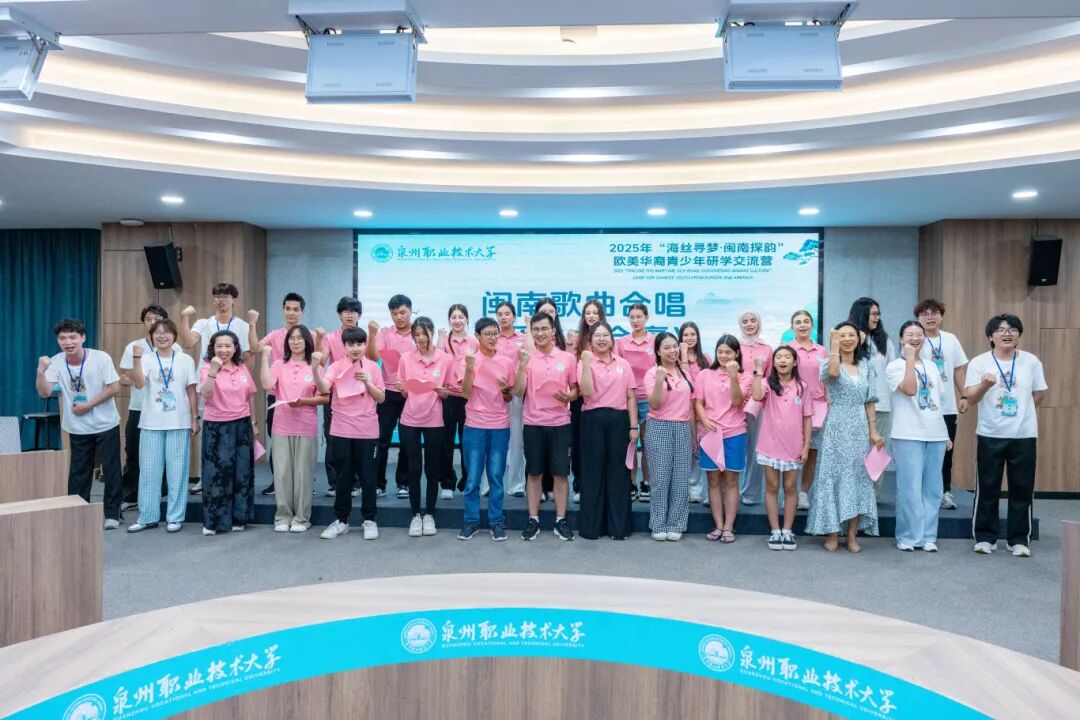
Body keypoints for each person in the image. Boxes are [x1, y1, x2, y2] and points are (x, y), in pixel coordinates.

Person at [964, 314, 1046, 557]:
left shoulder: (1031, 362)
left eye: (1012, 329)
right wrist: (985, 385)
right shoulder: (979, 362)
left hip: (1024, 435)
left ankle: (1018, 540)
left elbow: (1039, 393)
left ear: (1019, 334)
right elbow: (971, 398)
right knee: (987, 487)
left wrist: (1022, 413)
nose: (1007, 333)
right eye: (1000, 330)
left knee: (1022, 488)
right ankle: (985, 538)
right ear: (991, 336)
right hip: (990, 434)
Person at [36, 319, 123, 529]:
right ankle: (77, 513)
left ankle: (112, 514)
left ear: (83, 338)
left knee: (111, 469)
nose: (68, 342)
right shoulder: (56, 361)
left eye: (73, 337)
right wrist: (40, 372)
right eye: (63, 338)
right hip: (77, 426)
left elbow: (114, 387)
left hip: (105, 423)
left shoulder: (100, 358)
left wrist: (88, 405)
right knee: (78, 472)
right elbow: (44, 392)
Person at [805, 322, 884, 552]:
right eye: (842, 335)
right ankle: (832, 533)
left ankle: (851, 535)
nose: (847, 339)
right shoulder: (829, 362)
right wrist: (834, 345)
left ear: (859, 339)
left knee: (857, 479)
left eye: (851, 335)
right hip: (836, 426)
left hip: (859, 427)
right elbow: (832, 373)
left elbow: (870, 402)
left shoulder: (867, 366)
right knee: (833, 477)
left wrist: (873, 431)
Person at [126, 319, 198, 533]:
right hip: (151, 422)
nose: (162, 336)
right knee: (149, 473)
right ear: (151, 337)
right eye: (157, 332)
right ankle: (147, 517)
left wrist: (195, 418)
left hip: (179, 421)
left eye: (166, 332)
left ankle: (175, 517)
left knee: (177, 473)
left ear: (174, 336)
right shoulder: (146, 359)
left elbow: (191, 390)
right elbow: (139, 383)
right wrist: (136, 358)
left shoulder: (185, 360)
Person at [179, 282, 251, 495]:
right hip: (208, 380)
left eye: (226, 296)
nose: (221, 300)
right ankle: (205, 478)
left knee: (234, 434)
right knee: (208, 432)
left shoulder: (242, 325)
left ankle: (232, 479)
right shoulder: (204, 323)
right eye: (218, 296)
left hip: (233, 382)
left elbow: (248, 357)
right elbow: (187, 342)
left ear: (234, 300)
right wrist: (184, 318)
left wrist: (243, 382)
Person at [315, 327, 386, 540]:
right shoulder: (336, 366)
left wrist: (367, 382)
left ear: (365, 345)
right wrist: (314, 368)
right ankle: (341, 520)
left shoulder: (373, 367)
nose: (356, 348)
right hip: (341, 429)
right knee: (343, 477)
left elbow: (381, 397)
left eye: (359, 344)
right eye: (351, 344)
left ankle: (369, 520)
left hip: (367, 430)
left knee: (368, 477)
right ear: (344, 346)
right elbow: (324, 387)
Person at [513, 312, 578, 541]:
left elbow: (575, 389)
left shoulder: (567, 358)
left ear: (553, 331)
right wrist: (522, 366)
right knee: (534, 472)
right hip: (534, 423)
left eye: (544, 329)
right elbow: (518, 391)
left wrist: (569, 396)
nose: (540, 333)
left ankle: (561, 520)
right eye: (536, 329)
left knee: (560, 474)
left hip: (560, 423)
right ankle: (533, 519)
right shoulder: (526, 358)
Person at [887, 320, 950, 552]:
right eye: (909, 335)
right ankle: (908, 536)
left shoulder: (932, 366)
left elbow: (938, 402)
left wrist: (945, 434)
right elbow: (910, 389)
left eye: (919, 334)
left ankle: (928, 536)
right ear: (901, 339)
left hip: (936, 434)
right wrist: (910, 360)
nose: (915, 338)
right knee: (910, 489)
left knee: (933, 489)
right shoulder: (894, 366)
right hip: (908, 434)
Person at [258, 325, 326, 533]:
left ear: (307, 341)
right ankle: (283, 516)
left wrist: (303, 401)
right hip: (281, 426)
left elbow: (324, 396)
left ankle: (302, 518)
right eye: (291, 338)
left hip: (306, 426)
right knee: (282, 473)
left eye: (299, 338)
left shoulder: (314, 365)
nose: (295, 342)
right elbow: (267, 384)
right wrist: (264, 357)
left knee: (303, 474)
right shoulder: (279, 364)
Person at [577, 321, 638, 540]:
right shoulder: (584, 362)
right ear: (590, 341)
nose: (602, 339)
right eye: (597, 336)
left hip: (619, 420)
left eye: (606, 335)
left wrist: (633, 426)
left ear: (612, 340)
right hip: (592, 420)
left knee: (618, 474)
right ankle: (592, 528)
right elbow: (586, 391)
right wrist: (586, 363)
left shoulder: (623, 364)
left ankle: (618, 528)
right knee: (592, 474)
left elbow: (631, 397)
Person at [458, 317, 516, 541]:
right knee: (473, 479)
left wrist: (505, 390)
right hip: (474, 425)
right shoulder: (470, 360)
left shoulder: (506, 362)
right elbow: (465, 393)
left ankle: (496, 521)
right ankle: (471, 521)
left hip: (499, 426)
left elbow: (509, 397)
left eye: (495, 333)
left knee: (496, 477)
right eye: (488, 334)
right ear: (477, 336)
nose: (493, 338)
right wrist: (469, 369)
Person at [752, 346, 813, 551]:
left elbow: (807, 418)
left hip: (793, 446)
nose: (782, 360)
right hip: (769, 445)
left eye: (787, 357)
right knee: (771, 487)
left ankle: (787, 530)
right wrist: (758, 370)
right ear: (774, 362)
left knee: (790, 488)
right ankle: (775, 531)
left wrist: (806, 446)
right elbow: (756, 395)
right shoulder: (767, 384)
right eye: (778, 357)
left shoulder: (802, 386)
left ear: (795, 362)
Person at [693, 334, 751, 544]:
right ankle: (718, 525)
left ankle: (729, 527)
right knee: (713, 480)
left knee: (731, 480)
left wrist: (734, 376)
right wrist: (704, 420)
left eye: (728, 352)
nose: (724, 356)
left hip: (734, 432)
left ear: (737, 354)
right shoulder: (704, 374)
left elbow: (737, 401)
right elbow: (698, 402)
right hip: (710, 433)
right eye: (720, 351)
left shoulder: (745, 376)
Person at [398, 316, 452, 537]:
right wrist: (403, 389)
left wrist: (442, 392)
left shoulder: (445, 359)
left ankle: (429, 513)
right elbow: (404, 393)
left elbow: (447, 392)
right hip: (409, 418)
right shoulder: (405, 358)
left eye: (423, 334)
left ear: (432, 332)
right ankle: (415, 515)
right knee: (413, 468)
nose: (420, 338)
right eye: (416, 335)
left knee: (432, 468)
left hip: (434, 419)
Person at [198, 330, 257, 535]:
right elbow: (205, 393)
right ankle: (214, 522)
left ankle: (239, 517)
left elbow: (250, 397)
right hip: (217, 427)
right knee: (216, 474)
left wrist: (254, 423)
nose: (223, 350)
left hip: (242, 424)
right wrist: (214, 370)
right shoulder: (207, 368)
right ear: (213, 348)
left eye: (228, 346)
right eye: (219, 346)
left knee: (242, 472)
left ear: (235, 348)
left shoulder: (242, 368)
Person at [249, 292, 307, 496]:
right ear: (283, 310)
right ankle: (278, 481)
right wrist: (252, 324)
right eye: (288, 308)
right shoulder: (275, 335)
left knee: (303, 441)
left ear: (302, 312)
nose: (291, 313)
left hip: (302, 397)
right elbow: (255, 348)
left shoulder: (308, 335)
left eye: (296, 309)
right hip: (277, 395)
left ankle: (305, 480)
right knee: (277, 439)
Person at [914, 299, 970, 510]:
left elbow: (959, 370)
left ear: (941, 316)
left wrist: (964, 396)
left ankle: (944, 492)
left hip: (947, 407)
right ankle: (921, 493)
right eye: (925, 313)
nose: (930, 317)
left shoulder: (951, 339)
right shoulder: (915, 338)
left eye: (934, 313)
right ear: (918, 318)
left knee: (946, 451)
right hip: (921, 406)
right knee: (921, 452)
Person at [118, 304, 172, 511]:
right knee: (133, 450)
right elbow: (125, 374)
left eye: (156, 319)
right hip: (139, 407)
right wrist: (125, 379)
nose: (152, 322)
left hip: (164, 408)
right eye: (148, 319)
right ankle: (132, 493)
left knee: (164, 452)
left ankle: (163, 492)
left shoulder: (173, 346)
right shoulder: (134, 346)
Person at [643, 332, 696, 542]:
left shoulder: (684, 372)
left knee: (681, 479)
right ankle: (658, 524)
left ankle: (676, 523)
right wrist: (659, 380)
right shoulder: (651, 373)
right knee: (660, 478)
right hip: (659, 427)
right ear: (658, 351)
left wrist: (693, 434)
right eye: (666, 347)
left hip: (682, 427)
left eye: (674, 346)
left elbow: (691, 405)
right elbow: (654, 404)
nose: (672, 350)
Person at [848, 297, 897, 501]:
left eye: (878, 314)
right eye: (873, 314)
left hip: (880, 403)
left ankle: (872, 497)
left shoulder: (884, 340)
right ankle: (852, 495)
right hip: (853, 404)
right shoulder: (848, 337)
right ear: (862, 314)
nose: (877, 318)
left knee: (876, 450)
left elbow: (893, 371)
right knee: (854, 451)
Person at [367, 294, 416, 498]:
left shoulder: (419, 332)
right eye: (394, 313)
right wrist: (371, 335)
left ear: (410, 311)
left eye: (402, 312)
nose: (399, 317)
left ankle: (403, 483)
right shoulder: (385, 333)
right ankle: (379, 483)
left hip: (411, 394)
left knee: (407, 440)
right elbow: (372, 357)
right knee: (382, 440)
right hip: (387, 393)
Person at [315, 296, 363, 497]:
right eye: (345, 311)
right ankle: (335, 482)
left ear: (359, 315)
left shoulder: (364, 337)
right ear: (339, 315)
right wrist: (318, 341)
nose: (349, 315)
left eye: (353, 311)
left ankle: (355, 482)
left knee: (358, 438)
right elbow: (322, 360)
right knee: (333, 436)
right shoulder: (331, 337)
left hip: (360, 393)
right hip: (336, 393)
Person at [615, 302, 655, 500]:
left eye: (639, 316)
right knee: (630, 442)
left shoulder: (654, 341)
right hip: (626, 397)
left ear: (646, 318)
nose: (635, 320)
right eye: (631, 317)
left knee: (648, 443)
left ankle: (646, 482)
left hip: (648, 398)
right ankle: (630, 482)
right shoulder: (621, 342)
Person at [437, 304, 477, 499]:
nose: (457, 320)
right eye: (454, 317)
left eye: (461, 317)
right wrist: (440, 339)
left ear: (467, 319)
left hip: (468, 397)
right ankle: (447, 483)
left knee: (467, 442)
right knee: (445, 441)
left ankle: (468, 480)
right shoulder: (444, 341)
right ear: (449, 320)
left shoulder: (474, 342)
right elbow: (436, 362)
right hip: (448, 396)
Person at [568, 299, 607, 504]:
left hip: (603, 399)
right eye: (587, 313)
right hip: (580, 399)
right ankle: (579, 485)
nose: (591, 316)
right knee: (578, 443)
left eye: (595, 312)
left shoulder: (607, 338)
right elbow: (570, 367)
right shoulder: (577, 339)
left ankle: (599, 486)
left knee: (598, 445)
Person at [790, 310, 828, 510]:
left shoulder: (822, 351)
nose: (802, 325)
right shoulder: (787, 349)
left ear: (812, 325)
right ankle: (790, 492)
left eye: (806, 321)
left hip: (819, 407)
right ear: (792, 327)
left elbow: (827, 380)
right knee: (793, 450)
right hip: (794, 406)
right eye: (798, 322)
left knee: (812, 452)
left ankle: (803, 493)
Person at [531, 297, 567, 501]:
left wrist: (569, 395)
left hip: (558, 409)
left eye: (551, 312)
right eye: (543, 311)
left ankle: (552, 488)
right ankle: (540, 490)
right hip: (535, 409)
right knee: (536, 457)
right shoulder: (531, 345)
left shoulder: (564, 341)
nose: (548, 314)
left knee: (558, 458)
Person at [736, 310, 772, 507]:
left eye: (753, 320)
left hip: (757, 403)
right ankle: (723, 490)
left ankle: (750, 492)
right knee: (730, 447)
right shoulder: (733, 345)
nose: (749, 324)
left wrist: (755, 394)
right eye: (745, 321)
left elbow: (770, 377)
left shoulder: (767, 348)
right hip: (733, 401)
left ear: (759, 323)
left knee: (754, 448)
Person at [495, 300, 528, 497]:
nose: (503, 317)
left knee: (517, 440)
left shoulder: (522, 338)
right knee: (493, 440)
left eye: (507, 314)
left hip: (516, 392)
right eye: (500, 314)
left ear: (514, 317)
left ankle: (516, 484)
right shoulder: (492, 337)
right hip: (494, 394)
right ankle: (489, 484)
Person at [678, 321, 711, 504]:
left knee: (701, 450)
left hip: (702, 408)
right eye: (686, 335)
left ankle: (701, 490)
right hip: (682, 409)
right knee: (688, 448)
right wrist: (683, 354)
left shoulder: (705, 359)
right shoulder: (676, 358)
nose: (689, 338)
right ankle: (689, 487)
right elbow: (685, 380)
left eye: (693, 334)